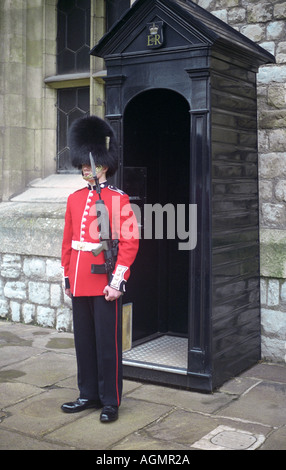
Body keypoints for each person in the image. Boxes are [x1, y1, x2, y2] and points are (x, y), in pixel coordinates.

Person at [61, 116, 139, 423]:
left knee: (108, 344)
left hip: (104, 282)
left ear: (103, 165)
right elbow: (68, 241)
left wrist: (117, 281)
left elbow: (130, 243)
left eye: (88, 163)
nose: (83, 168)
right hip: (80, 281)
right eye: (81, 164)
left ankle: (110, 401)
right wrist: (67, 277)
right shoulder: (74, 198)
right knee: (84, 342)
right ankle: (88, 394)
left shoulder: (118, 199)